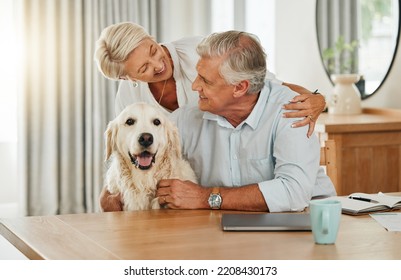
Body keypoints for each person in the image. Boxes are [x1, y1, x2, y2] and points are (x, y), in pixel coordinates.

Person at [101, 30, 336, 212]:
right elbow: (141, 154)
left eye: (205, 80)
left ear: (240, 87)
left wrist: (206, 198)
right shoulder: (185, 119)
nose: (194, 86)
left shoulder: (292, 111)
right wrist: (112, 190)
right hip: (221, 227)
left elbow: (293, 192)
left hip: (306, 222)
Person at [94, 22, 326, 136]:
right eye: (143, 68)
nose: (158, 65)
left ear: (151, 38)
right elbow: (126, 147)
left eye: (153, 50)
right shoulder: (129, 99)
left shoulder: (199, 51)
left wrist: (316, 100)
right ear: (126, 77)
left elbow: (263, 83)